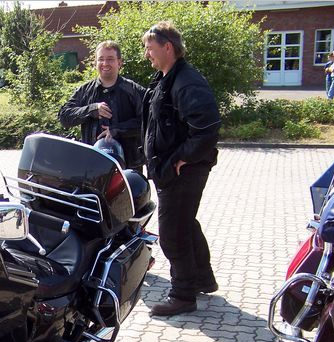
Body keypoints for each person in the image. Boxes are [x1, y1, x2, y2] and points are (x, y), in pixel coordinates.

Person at [141, 21, 221, 316]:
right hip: (170, 168)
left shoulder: (187, 81)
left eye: (150, 48)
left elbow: (207, 129)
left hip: (183, 171)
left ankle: (182, 295)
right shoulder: (166, 78)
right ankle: (202, 278)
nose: (147, 54)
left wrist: (181, 159)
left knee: (172, 232)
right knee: (185, 223)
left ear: (168, 47)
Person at [58, 40, 145, 170]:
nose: (105, 63)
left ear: (119, 62)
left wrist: (117, 130)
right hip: (92, 166)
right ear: (95, 62)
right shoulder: (85, 91)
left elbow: (148, 121)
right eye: (101, 59)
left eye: (110, 59)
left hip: (129, 167)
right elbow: (64, 117)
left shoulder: (133, 90)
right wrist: (92, 110)